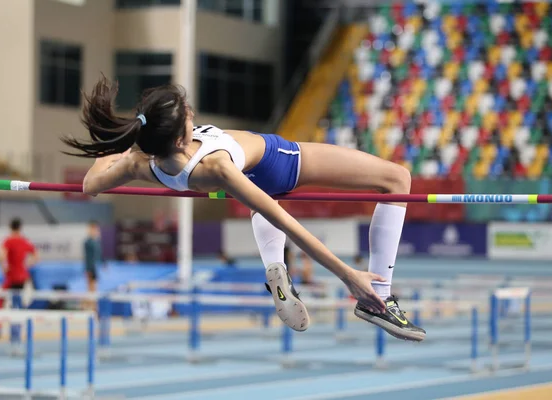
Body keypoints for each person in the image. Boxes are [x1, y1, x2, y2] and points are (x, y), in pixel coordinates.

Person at [62, 77, 425, 341]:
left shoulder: (141, 163)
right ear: (178, 137)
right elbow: (284, 220)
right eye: (188, 116)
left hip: (252, 175)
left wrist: (119, 154)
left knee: (262, 198)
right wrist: (348, 276)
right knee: (396, 179)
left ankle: (275, 267)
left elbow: (90, 185)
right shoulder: (216, 167)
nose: (192, 114)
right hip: (283, 159)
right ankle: (382, 298)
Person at [0, 218, 38, 337]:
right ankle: (19, 329)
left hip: (11, 277)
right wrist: (26, 265)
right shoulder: (24, 241)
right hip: (22, 277)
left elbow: (1, 256)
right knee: (18, 303)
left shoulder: (8, 241)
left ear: (10, 227)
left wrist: (3, 267)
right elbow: (36, 256)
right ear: (20, 228)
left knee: (0, 300)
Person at [84, 221, 103, 309]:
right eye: (93, 229)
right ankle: (91, 305)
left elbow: (99, 255)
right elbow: (89, 258)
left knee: (94, 287)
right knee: (91, 287)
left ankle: (93, 305)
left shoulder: (96, 242)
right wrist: (90, 269)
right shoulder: (88, 242)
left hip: (95, 267)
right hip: (90, 267)